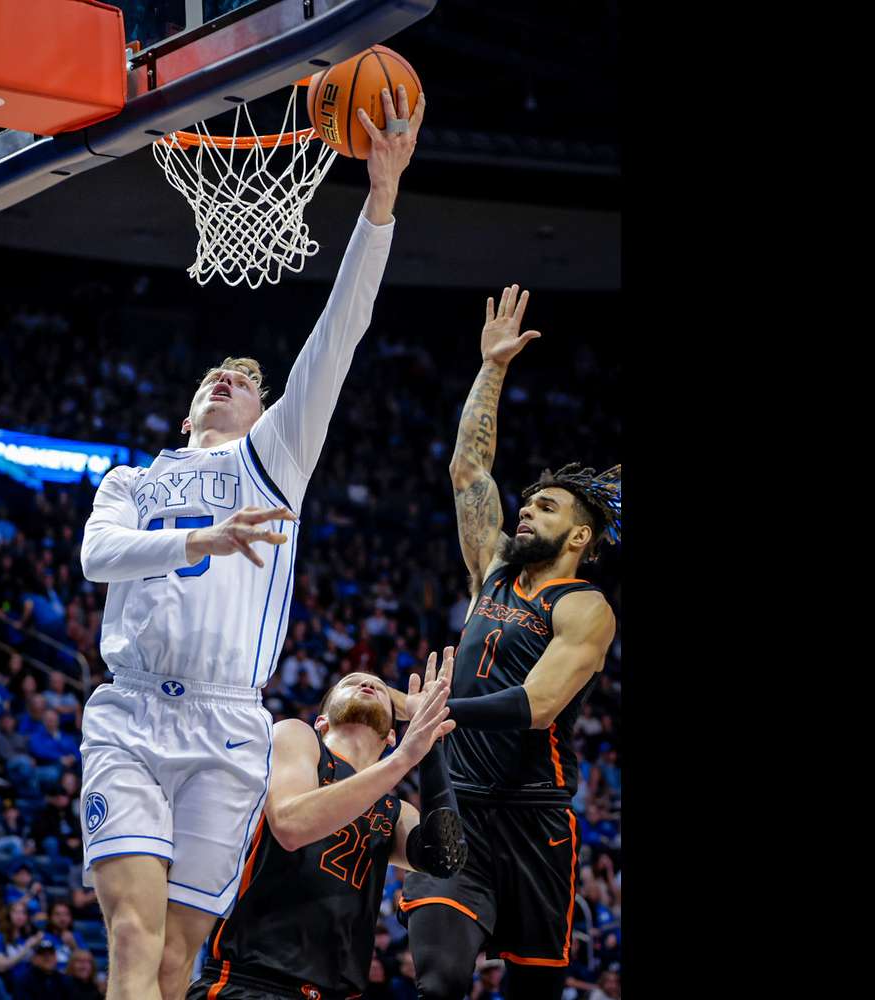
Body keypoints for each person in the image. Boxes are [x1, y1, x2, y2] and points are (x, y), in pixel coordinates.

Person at [78, 84, 427, 1000]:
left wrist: (381, 200)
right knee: (128, 934)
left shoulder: (275, 463)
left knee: (171, 963)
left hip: (230, 722)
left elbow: (339, 331)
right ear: (194, 405)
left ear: (269, 412)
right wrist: (198, 538)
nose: (230, 377)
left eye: (246, 377)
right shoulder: (132, 480)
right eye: (217, 374)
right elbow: (97, 559)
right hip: (131, 714)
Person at [393, 285, 620, 1000]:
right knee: (439, 979)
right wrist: (493, 367)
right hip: (456, 801)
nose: (524, 510)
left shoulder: (586, 607)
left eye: (545, 507)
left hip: (535, 819)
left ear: (579, 538)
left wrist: (434, 709)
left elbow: (539, 705)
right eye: (526, 503)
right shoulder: (491, 569)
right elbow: (470, 471)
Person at [187, 665, 464, 1000]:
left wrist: (432, 742)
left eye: (377, 685)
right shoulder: (298, 739)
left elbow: (445, 857)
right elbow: (291, 825)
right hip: (251, 981)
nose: (365, 682)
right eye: (349, 682)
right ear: (322, 721)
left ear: (392, 733)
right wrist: (403, 759)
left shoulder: (396, 810)